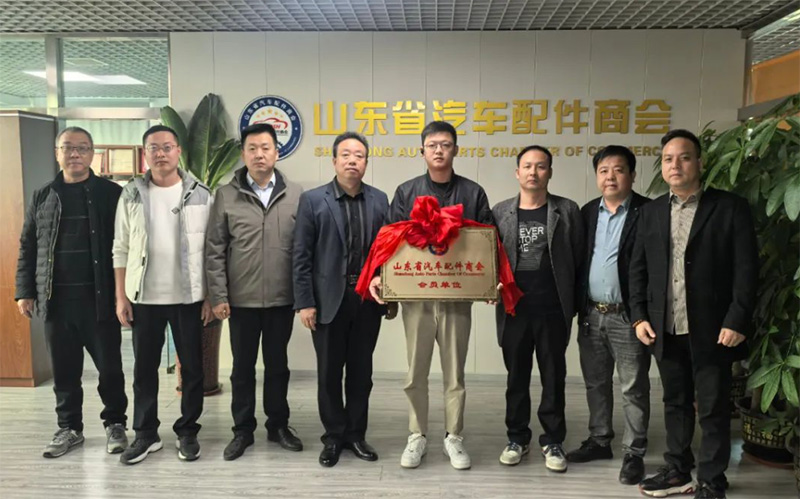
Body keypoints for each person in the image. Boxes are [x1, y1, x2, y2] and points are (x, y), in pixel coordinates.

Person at [630, 129, 758, 499]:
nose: (676, 165)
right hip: (665, 326)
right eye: (668, 159)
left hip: (714, 328)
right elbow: (638, 270)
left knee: (714, 407)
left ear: (699, 163)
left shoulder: (729, 207)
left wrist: (737, 319)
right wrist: (639, 317)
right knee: (675, 402)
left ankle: (713, 479)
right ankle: (677, 470)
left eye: (684, 157)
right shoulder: (650, 213)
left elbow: (747, 269)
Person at [368, 120, 493, 470]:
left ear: (456, 149)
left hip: (457, 298)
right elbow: (389, 240)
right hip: (417, 299)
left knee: (455, 373)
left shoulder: (472, 193)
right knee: (415, 372)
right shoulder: (406, 192)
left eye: (446, 144)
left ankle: (454, 436)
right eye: (433, 145)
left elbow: (488, 242)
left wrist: (491, 281)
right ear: (422, 151)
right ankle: (417, 435)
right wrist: (381, 277)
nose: (439, 150)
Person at [15, 126, 128, 458]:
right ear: (57, 153)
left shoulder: (111, 193)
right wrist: (24, 291)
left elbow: (127, 244)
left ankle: (115, 423)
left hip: (99, 300)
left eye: (82, 148)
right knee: (64, 372)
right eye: (68, 147)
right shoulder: (43, 195)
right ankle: (69, 428)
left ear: (92, 154)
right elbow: (28, 245)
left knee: (110, 369)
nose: (75, 153)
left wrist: (125, 294)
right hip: (56, 302)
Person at [114, 125, 214, 464]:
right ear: (145, 153)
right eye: (153, 147)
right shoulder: (131, 194)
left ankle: (188, 431)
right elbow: (120, 247)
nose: (161, 153)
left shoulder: (201, 193)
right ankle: (146, 433)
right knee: (144, 370)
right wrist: (121, 297)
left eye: (167, 147)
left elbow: (213, 249)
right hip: (144, 298)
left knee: (193, 369)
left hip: (189, 298)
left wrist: (211, 296)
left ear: (179, 151)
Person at [293, 131, 393, 467]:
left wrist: (390, 291)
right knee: (329, 373)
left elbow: (389, 253)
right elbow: (301, 256)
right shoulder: (313, 200)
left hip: (367, 301)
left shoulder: (379, 200)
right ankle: (334, 437)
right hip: (327, 301)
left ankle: (355, 434)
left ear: (366, 162)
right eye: (346, 155)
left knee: (362, 373)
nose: (352, 161)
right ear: (334, 160)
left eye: (359, 156)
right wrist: (305, 302)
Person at [205, 123, 304, 461]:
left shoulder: (296, 194)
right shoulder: (226, 195)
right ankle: (242, 430)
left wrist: (303, 297)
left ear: (277, 152)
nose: (259, 154)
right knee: (242, 369)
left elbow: (303, 251)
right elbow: (214, 249)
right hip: (241, 301)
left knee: (278, 367)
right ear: (243, 153)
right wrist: (219, 296)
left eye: (265, 147)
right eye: (252, 148)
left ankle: (278, 426)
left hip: (281, 299)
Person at [492, 145, 584, 473]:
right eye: (527, 166)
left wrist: (576, 305)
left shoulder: (567, 210)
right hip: (514, 309)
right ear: (517, 172)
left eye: (541, 166)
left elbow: (579, 260)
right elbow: (489, 259)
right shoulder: (500, 212)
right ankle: (517, 437)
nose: (533, 172)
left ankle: (553, 439)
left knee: (553, 375)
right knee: (516, 377)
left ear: (550, 172)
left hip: (553, 309)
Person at [566, 145, 651, 485]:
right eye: (603, 170)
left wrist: (643, 313)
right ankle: (600, 440)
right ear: (596, 176)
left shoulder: (648, 211)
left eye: (618, 170)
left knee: (633, 387)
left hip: (629, 317)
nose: (610, 176)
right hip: (591, 313)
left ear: (632, 174)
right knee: (596, 382)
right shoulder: (587, 212)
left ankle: (634, 452)